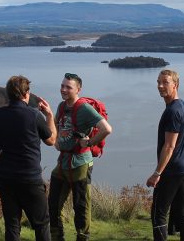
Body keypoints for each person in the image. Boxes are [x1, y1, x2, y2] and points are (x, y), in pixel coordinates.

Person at [0, 75, 57, 241]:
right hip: (30, 179)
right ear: (26, 94)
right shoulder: (34, 115)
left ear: (8, 94)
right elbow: (51, 141)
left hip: (6, 179)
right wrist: (50, 116)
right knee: (41, 224)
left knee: (12, 226)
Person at [49, 72, 112, 241]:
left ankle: (82, 237)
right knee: (53, 204)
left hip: (81, 163)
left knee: (81, 206)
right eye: (62, 86)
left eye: (68, 87)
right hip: (63, 162)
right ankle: (57, 237)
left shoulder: (84, 108)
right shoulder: (62, 107)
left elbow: (107, 128)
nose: (63, 89)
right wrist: (56, 140)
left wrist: (90, 142)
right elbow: (55, 123)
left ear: (78, 89)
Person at [147, 69, 184, 241]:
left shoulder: (173, 111)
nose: (160, 86)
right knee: (182, 213)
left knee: (159, 213)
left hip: (172, 170)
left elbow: (169, 146)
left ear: (176, 84)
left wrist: (157, 173)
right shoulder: (182, 107)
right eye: (159, 82)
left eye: (165, 82)